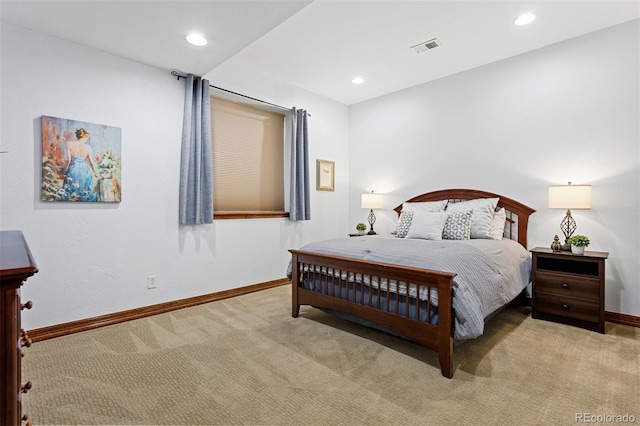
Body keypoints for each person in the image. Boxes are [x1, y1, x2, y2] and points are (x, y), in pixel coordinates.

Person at [61, 128, 99, 201]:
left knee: (70, 193)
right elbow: (91, 162)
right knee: (83, 193)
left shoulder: (69, 144)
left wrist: (64, 172)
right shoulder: (88, 147)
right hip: (85, 171)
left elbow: (68, 160)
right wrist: (95, 173)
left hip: (73, 171)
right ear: (85, 137)